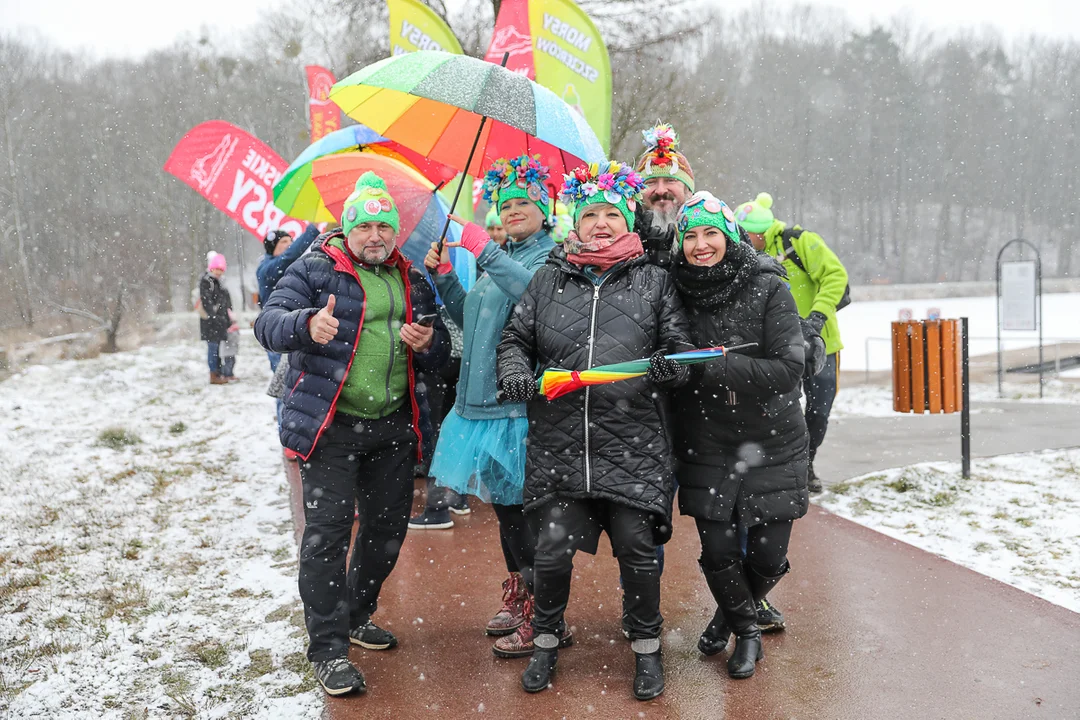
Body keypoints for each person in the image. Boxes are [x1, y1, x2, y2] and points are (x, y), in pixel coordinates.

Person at [496, 160, 693, 700]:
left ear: (626, 218)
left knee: (637, 548)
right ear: (574, 224)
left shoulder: (653, 280)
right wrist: (515, 372)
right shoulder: (547, 279)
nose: (600, 224)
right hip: (561, 443)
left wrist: (671, 365)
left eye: (610, 213)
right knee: (552, 551)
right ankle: (545, 642)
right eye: (590, 216)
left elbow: (678, 346)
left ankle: (647, 648)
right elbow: (516, 339)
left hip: (632, 444)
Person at [253, 172, 450, 697]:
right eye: (365, 226)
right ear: (348, 228)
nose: (375, 236)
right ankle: (328, 649)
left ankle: (356, 614)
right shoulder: (316, 266)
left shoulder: (408, 276)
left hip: (391, 426)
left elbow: (440, 348)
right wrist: (305, 325)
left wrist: (429, 341)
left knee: (387, 534)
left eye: (385, 226)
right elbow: (267, 320)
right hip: (331, 426)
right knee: (327, 537)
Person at [422, 156, 558, 657]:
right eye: (507, 203)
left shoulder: (550, 259)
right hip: (478, 407)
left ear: (544, 210)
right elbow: (472, 315)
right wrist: (446, 280)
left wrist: (485, 252)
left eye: (525, 202)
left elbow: (535, 297)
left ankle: (547, 613)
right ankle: (522, 593)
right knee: (507, 515)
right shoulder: (503, 252)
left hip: (517, 408)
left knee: (530, 517)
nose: (515, 210)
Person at [669, 191, 810, 679]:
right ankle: (748, 633)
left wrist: (718, 364)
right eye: (690, 235)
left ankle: (727, 613)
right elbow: (671, 360)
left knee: (770, 556)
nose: (700, 244)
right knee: (720, 551)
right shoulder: (673, 290)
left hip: (773, 440)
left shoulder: (768, 287)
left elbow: (789, 368)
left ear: (729, 236)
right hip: (706, 440)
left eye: (711, 233)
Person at [736, 192, 848, 494]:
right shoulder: (745, 254)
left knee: (819, 412)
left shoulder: (799, 241)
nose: (742, 241)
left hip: (823, 344)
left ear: (758, 232)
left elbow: (836, 275)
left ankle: (808, 460)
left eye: (745, 235)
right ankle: (794, 467)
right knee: (786, 411)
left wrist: (817, 317)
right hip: (779, 349)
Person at [256, 224, 321, 372]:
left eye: (290, 241)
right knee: (283, 383)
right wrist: (312, 230)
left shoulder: (293, 268)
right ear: (272, 247)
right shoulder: (266, 269)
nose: (289, 245)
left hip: (294, 327)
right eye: (284, 242)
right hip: (277, 328)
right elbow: (289, 256)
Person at [632, 122, 695, 268]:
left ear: (688, 191)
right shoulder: (625, 235)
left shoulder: (706, 236)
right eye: (651, 182)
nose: (660, 190)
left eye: (670, 180)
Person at [200, 252, 233, 385]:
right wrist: (214, 317)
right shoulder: (207, 281)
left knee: (218, 348)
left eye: (221, 269)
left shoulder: (220, 283)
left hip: (220, 322)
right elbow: (206, 301)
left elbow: (225, 302)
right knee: (213, 348)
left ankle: (218, 373)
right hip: (211, 322)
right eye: (217, 268)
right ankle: (213, 374)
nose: (219, 272)